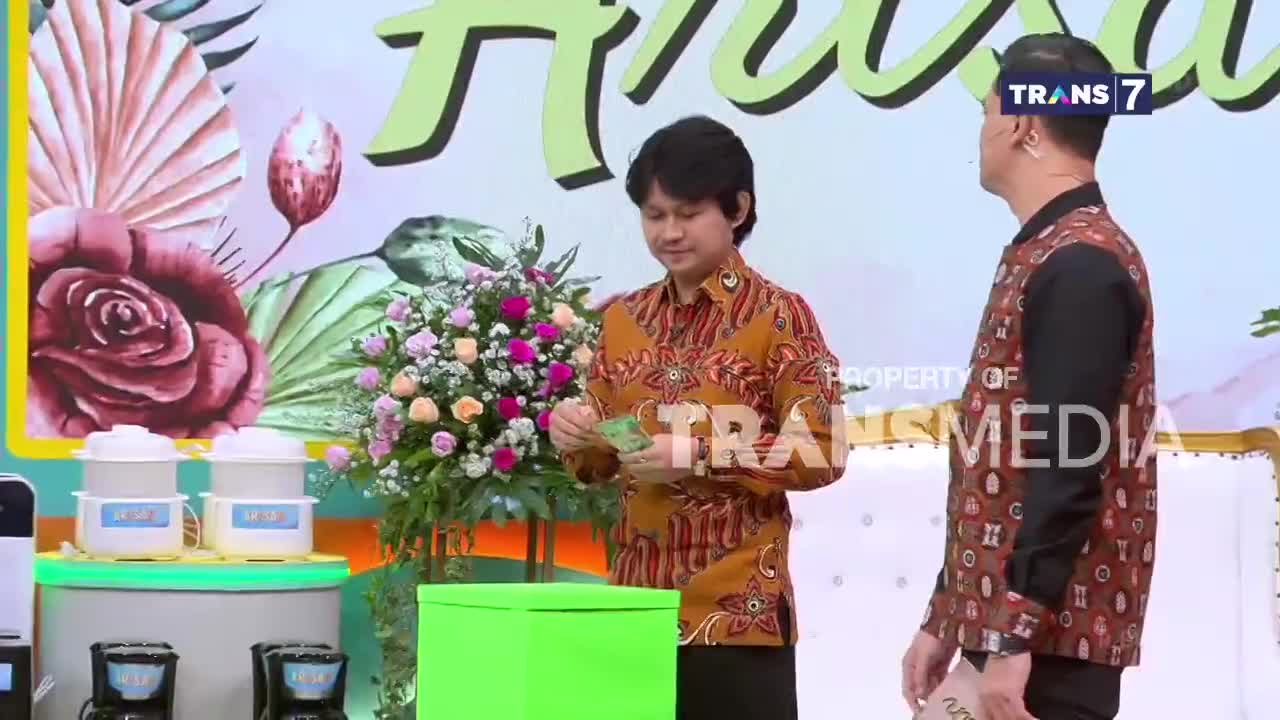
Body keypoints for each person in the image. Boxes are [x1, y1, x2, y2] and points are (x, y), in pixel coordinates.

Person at [549, 115, 847, 720]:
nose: (669, 232)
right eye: (654, 216)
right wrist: (575, 435)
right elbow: (597, 462)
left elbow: (823, 450)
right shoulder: (622, 319)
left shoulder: (779, 316)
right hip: (634, 610)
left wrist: (702, 454)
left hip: (738, 618)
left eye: (687, 213)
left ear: (737, 209)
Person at [900, 34, 1156, 720]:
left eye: (986, 114)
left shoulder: (1080, 264)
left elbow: (1071, 463)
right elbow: (1005, 467)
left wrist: (1013, 638)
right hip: (1005, 632)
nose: (982, 134)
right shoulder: (1050, 249)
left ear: (1019, 123)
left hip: (1046, 642)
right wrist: (946, 617)